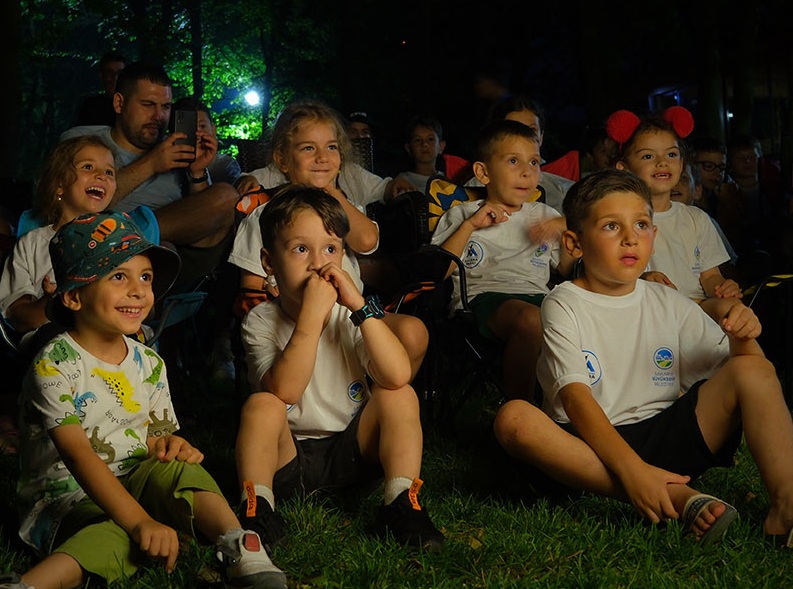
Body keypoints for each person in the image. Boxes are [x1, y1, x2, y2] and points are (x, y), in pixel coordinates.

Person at [494, 168, 793, 547]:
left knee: (754, 368)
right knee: (514, 418)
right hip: (587, 445)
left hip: (665, 435)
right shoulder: (563, 303)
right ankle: (671, 495)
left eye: (640, 224)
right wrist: (633, 472)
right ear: (574, 243)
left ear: (654, 234)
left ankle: (785, 508)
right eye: (610, 227)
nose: (630, 238)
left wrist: (743, 335)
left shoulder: (668, 301)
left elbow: (749, 377)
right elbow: (575, 399)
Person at [2, 211, 286, 589]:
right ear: (73, 296)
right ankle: (29, 584)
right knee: (120, 538)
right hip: (68, 496)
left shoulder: (147, 360)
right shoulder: (54, 364)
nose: (139, 290)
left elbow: (153, 436)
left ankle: (240, 546)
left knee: (184, 472)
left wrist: (169, 445)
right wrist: (138, 522)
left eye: (146, 277)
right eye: (119, 276)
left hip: (134, 477)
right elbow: (78, 456)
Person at [234, 186, 445, 559]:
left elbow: (397, 375)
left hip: (352, 451)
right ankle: (258, 509)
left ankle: (401, 502)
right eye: (301, 249)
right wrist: (312, 318)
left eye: (330, 249)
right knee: (261, 406)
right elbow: (285, 390)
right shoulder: (260, 321)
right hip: (289, 458)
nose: (319, 263)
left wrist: (361, 309)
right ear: (269, 261)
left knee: (399, 395)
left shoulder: (351, 316)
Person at [230, 100, 427, 379]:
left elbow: (368, 241)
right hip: (293, 320)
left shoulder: (340, 207)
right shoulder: (266, 214)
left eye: (331, 147)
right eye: (308, 148)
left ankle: (371, 404)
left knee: (413, 332)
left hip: (348, 316)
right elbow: (249, 289)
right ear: (282, 159)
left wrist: (331, 191)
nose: (323, 157)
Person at [430, 119, 574, 402]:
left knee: (583, 313)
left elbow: (568, 270)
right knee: (532, 319)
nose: (526, 172)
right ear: (483, 172)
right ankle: (523, 411)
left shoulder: (545, 215)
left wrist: (567, 231)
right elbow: (438, 271)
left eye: (534, 162)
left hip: (541, 297)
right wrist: (470, 226)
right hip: (483, 299)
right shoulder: (463, 214)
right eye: (513, 161)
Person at [60, 61, 239, 285]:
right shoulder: (82, 141)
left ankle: (132, 243)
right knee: (161, 251)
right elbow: (73, 205)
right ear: (119, 103)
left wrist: (197, 172)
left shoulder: (178, 151)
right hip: (95, 248)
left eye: (165, 107)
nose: (159, 116)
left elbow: (205, 219)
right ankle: (129, 249)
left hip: (174, 258)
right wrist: (151, 164)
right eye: (147, 105)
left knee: (225, 196)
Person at [607, 107, 743, 326]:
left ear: (681, 164)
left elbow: (709, 276)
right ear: (624, 168)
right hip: (645, 309)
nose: (662, 162)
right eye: (648, 156)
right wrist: (642, 281)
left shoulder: (696, 218)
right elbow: (607, 276)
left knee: (735, 311)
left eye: (671, 154)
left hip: (696, 305)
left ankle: (745, 360)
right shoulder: (616, 220)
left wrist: (723, 286)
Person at [0, 136, 130, 351]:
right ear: (59, 185)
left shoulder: (122, 242)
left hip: (113, 342)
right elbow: (19, 318)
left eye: (109, 172)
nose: (101, 175)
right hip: (53, 348)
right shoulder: (32, 244)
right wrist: (55, 303)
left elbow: (147, 306)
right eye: (88, 167)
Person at [466, 94, 574, 215]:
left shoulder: (564, 189)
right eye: (513, 161)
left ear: (541, 137)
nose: (522, 137)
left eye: (531, 130)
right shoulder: (474, 187)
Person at [671, 160, 738, 269]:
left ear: (697, 191)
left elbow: (726, 266)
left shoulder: (704, 221)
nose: (674, 185)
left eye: (683, 179)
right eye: (670, 178)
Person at [173, 96, 242, 186]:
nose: (197, 134)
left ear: (213, 130)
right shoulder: (167, 164)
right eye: (188, 129)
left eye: (202, 126)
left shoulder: (225, 165)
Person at [688, 135, 743, 249]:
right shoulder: (686, 201)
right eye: (709, 166)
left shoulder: (721, 194)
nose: (717, 173)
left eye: (721, 167)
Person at [390, 115, 447, 194]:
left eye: (430, 139)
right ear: (409, 148)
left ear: (441, 146)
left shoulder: (448, 181)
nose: (424, 144)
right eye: (418, 140)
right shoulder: (401, 182)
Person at [73, 51, 127, 127]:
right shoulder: (91, 106)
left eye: (120, 73)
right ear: (101, 76)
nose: (115, 78)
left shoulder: (132, 105)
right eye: (109, 73)